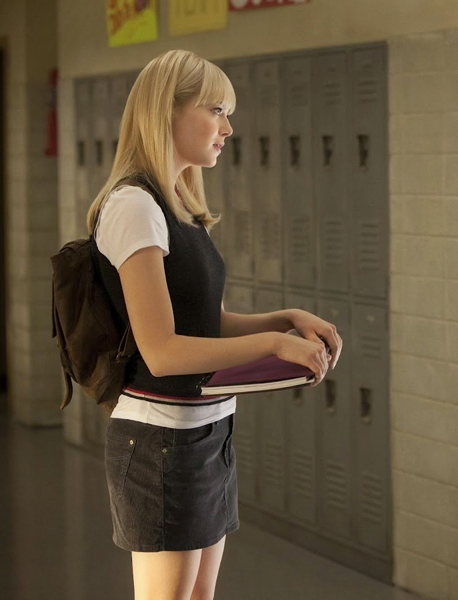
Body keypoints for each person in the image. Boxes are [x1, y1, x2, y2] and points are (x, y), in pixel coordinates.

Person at [85, 49, 342, 600]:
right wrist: (273, 345)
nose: (228, 129)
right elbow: (163, 352)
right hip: (161, 441)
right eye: (217, 111)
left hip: (207, 430)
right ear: (167, 112)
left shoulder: (177, 204)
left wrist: (285, 320)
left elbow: (202, 325)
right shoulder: (134, 206)